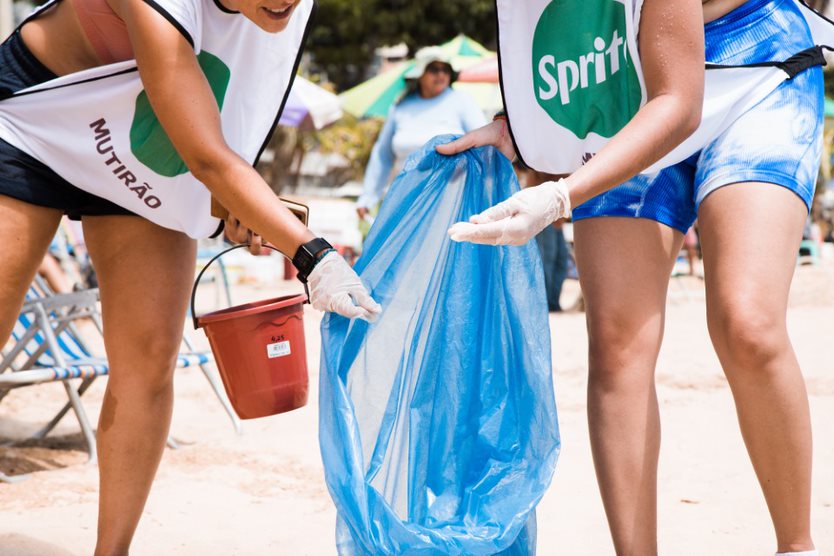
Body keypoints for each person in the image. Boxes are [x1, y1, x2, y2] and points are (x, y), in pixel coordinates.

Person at [439, 0, 824, 554]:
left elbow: (680, 102)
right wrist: (523, 132)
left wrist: (558, 195)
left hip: (756, 61)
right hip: (622, 78)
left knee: (748, 322)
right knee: (618, 344)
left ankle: (797, 545)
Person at [0, 0, 379, 554]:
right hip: (41, 115)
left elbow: (232, 113)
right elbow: (207, 157)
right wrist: (315, 257)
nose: (284, 1)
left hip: (150, 135)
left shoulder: (288, 9)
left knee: (150, 359)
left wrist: (244, 207)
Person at [355, 46, 486, 226]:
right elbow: (382, 155)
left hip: (449, 201)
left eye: (445, 69)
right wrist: (368, 197)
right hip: (405, 200)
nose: (441, 74)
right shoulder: (400, 107)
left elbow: (485, 146)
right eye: (434, 69)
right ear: (420, 74)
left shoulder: (462, 102)